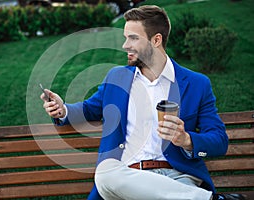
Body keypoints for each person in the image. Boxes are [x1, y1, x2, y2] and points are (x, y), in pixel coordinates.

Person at [41, 5, 245, 200]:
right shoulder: (117, 77)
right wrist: (63, 109)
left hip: (178, 178)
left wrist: (187, 140)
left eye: (133, 38)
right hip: (125, 178)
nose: (125, 45)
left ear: (156, 40)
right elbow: (88, 109)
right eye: (125, 38)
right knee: (105, 171)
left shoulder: (197, 84)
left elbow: (220, 141)